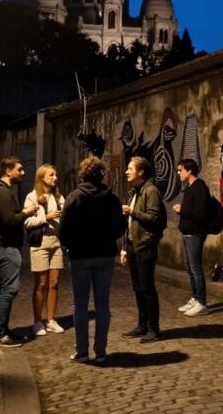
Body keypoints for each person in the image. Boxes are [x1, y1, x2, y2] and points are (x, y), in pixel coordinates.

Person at [60, 156, 126, 364]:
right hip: (105, 255)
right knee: (102, 305)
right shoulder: (111, 199)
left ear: (83, 174)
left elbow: (64, 230)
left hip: (80, 256)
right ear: (101, 175)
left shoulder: (74, 197)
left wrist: (72, 244)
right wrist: (107, 239)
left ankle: (82, 351)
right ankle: (101, 351)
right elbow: (120, 226)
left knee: (80, 305)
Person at [0, 156, 38, 347]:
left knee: (6, 289)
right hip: (6, 247)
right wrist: (26, 213)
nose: (23, 173)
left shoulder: (4, 192)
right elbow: (9, 221)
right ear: (8, 171)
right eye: (20, 169)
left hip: (8, 247)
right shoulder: (1, 193)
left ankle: (2, 330)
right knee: (9, 289)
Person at [120, 156, 167, 343]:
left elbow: (154, 218)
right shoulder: (135, 192)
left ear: (141, 172)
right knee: (138, 288)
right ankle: (142, 325)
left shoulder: (150, 191)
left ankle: (154, 329)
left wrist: (133, 211)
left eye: (130, 168)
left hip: (145, 246)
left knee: (147, 288)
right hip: (133, 246)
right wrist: (124, 248)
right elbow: (129, 224)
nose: (126, 171)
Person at [24, 164, 66, 337]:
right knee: (41, 284)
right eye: (51, 175)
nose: (55, 178)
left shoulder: (58, 197)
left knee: (54, 283)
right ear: (42, 177)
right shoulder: (32, 197)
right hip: (40, 243)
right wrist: (45, 217)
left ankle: (51, 320)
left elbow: (64, 218)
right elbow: (26, 222)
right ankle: (37, 321)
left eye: (56, 175)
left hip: (56, 243)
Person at [172, 158, 211, 317]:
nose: (178, 173)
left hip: (195, 234)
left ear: (189, 170)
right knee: (189, 268)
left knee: (196, 269)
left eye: (180, 170)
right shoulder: (189, 187)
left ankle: (201, 302)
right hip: (187, 234)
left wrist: (182, 210)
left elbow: (201, 213)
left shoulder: (200, 187)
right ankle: (195, 297)